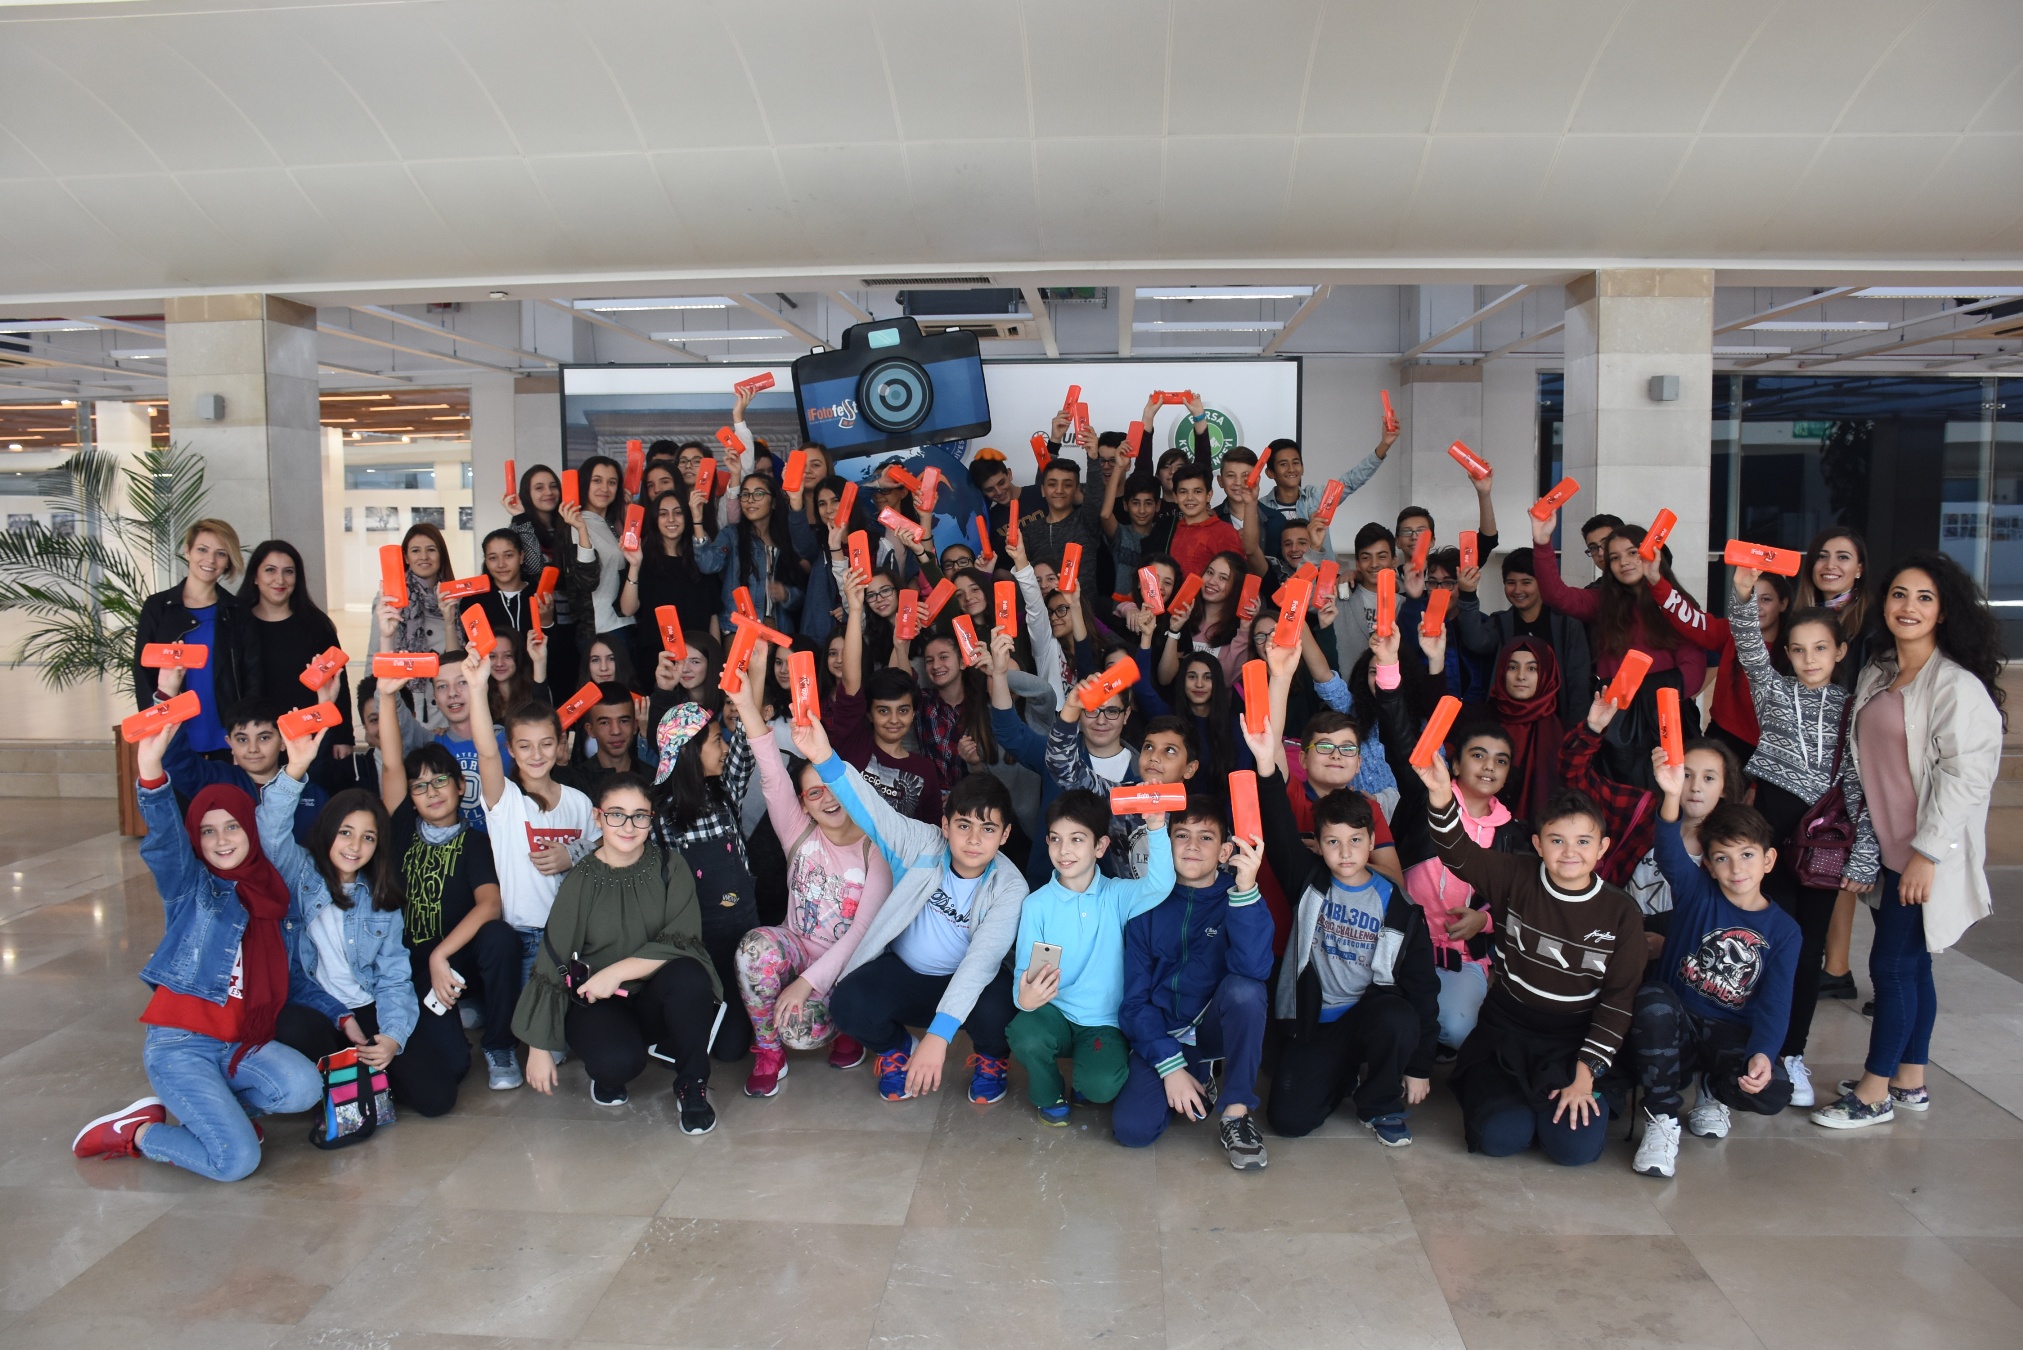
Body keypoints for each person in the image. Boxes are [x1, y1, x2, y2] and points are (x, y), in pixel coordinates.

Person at [70, 722, 322, 1180]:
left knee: (304, 1088)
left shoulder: (272, 893)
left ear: (249, 829)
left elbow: (292, 976)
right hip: (183, 1044)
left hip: (241, 1042)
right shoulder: (191, 888)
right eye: (207, 831)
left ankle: (221, 1115)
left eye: (232, 827)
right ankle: (136, 1133)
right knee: (235, 1162)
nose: (221, 840)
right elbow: (166, 843)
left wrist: (341, 1016)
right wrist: (151, 769)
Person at [1814, 553, 2004, 1129]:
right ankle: (1910, 1080)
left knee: (1892, 968)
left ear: (1943, 611)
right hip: (1888, 848)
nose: (1909, 607)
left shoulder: (1957, 687)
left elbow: (1966, 779)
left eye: (1924, 597)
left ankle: (1873, 1093)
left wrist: (1926, 855)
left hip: (1923, 855)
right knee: (1913, 969)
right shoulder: (1880, 672)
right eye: (1899, 594)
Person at [1241, 641, 1438, 1144]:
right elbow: (1269, 768)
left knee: (1394, 1017)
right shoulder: (1290, 800)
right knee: (1287, 1108)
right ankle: (1336, 1073)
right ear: (1303, 756)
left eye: (1348, 748)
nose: (1336, 755)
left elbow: (1393, 887)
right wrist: (1281, 676)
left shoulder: (1367, 811)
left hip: (1358, 987)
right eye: (1324, 747)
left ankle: (1377, 1098)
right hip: (1285, 960)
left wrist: (1333, 853)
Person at [1419, 754, 1647, 1165]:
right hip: (1508, 1031)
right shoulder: (1516, 875)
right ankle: (1513, 1106)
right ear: (1539, 845)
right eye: (1557, 840)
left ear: (1602, 848)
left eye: (1583, 842)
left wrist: (1584, 1077)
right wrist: (1439, 794)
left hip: (1574, 1041)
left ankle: (1556, 1107)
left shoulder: (1621, 913)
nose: (1570, 852)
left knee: (1573, 1150)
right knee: (1501, 1137)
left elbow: (1617, 1002)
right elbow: (1459, 854)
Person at [792, 714, 1029, 1107]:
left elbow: (981, 962)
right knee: (848, 1003)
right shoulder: (922, 843)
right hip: (905, 974)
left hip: (966, 981)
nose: (974, 840)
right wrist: (824, 758)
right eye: (964, 825)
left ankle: (992, 1060)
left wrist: (939, 1037)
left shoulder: (1010, 886)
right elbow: (873, 812)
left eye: (988, 829)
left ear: (1004, 835)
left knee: (1002, 1006)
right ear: (945, 825)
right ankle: (897, 1048)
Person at [1728, 571, 1880, 1108]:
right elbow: (1748, 644)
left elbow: (1858, 783)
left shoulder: (1854, 709)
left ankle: (1792, 1051)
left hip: (1825, 846)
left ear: (1840, 651)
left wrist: (1864, 853)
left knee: (1808, 949)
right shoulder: (1772, 691)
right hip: (1771, 837)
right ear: (1786, 654)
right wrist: (1742, 594)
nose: (1809, 658)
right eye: (1797, 649)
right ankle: (1751, 1045)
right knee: (1761, 941)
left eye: (1820, 648)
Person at [723, 642, 893, 1097]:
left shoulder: (875, 850)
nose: (827, 799)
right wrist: (746, 705)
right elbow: (770, 771)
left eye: (832, 787)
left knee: (800, 1029)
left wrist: (805, 985)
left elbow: (860, 936)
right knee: (755, 949)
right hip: (798, 948)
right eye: (813, 793)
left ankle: (848, 1026)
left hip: (850, 968)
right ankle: (767, 1052)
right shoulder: (798, 832)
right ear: (803, 804)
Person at [511, 773, 725, 1134]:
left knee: (690, 975)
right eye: (616, 815)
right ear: (598, 817)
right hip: (599, 1002)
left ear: (651, 819)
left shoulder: (670, 866)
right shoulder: (582, 879)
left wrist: (617, 972)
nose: (628, 826)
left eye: (639, 816)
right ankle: (609, 1068)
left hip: (655, 997)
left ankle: (692, 1084)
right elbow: (553, 955)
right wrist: (538, 1046)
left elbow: (683, 940)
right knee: (617, 1063)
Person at [260, 727, 443, 1115]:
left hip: (367, 1003)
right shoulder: (298, 871)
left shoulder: (380, 896)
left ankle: (360, 1079)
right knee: (292, 1026)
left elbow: (394, 976)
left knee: (436, 1098)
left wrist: (392, 1037)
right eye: (346, 832)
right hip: (316, 1008)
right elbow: (271, 830)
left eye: (368, 838)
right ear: (329, 829)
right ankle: (349, 1082)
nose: (355, 847)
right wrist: (295, 769)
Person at [1367, 625, 1531, 1054]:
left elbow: (1523, 901)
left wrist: (1485, 922)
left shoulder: (1513, 833)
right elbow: (1399, 736)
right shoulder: (1426, 796)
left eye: (1501, 761)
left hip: (1463, 958)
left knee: (1457, 1032)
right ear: (1454, 764)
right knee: (1389, 1023)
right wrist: (1388, 665)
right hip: (1401, 944)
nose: (1489, 766)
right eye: (1478, 755)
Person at [1630, 780, 1799, 1180]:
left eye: (1747, 855)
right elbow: (1668, 847)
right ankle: (1662, 1118)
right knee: (1652, 999)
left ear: (1769, 860)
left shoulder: (1785, 931)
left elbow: (1776, 1004)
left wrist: (1762, 1054)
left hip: (1730, 1035)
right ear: (1707, 864)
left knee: (1774, 1090)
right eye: (1722, 858)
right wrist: (1672, 796)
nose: (1736, 869)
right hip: (1679, 1027)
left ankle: (1715, 1089)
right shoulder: (1696, 893)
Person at [373, 680, 523, 1094]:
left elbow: (490, 905)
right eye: (420, 786)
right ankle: (458, 1015)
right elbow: (391, 763)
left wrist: (442, 954)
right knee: (453, 1066)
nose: (431, 792)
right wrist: (386, 696)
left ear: (460, 786)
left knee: (500, 937)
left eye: (440, 781)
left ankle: (499, 1045)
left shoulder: (475, 842)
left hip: (456, 961)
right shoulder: (402, 828)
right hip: (411, 970)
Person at [1112, 793, 1274, 1168]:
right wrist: (1170, 1067)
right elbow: (1134, 1003)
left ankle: (1236, 1113)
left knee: (1246, 992)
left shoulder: (1239, 897)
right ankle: (1195, 1071)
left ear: (1224, 852)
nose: (1192, 846)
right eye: (1182, 835)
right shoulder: (1145, 905)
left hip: (1214, 1028)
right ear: (1166, 846)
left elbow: (1254, 971)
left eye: (1206, 837)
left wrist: (1246, 889)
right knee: (1133, 1130)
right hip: (1164, 1033)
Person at [1007, 789, 1174, 1125]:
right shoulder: (1036, 905)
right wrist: (1024, 999)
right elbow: (1023, 975)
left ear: (1100, 846)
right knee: (1023, 1032)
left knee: (1101, 1086)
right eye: (1055, 839)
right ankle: (1049, 1093)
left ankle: (1086, 1079)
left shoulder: (1116, 895)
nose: (1063, 850)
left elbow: (1159, 884)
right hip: (1054, 1013)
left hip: (1103, 1021)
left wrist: (1156, 828)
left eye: (1077, 839)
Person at [1532, 510, 1706, 785]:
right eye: (1614, 558)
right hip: (1617, 721)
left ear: (1650, 553)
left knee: (1670, 793)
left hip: (1667, 717)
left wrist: (1644, 693)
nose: (1623, 562)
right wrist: (1543, 542)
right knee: (1620, 797)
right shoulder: (1602, 601)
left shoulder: (1676, 603)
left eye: (1632, 553)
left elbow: (1693, 673)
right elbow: (1556, 595)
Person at [466, 649, 599, 984]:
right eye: (524, 746)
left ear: (560, 744)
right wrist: (477, 688)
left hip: (578, 938)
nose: (536, 755)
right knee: (534, 1019)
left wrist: (572, 853)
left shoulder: (579, 802)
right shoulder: (506, 799)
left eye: (546, 744)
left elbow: (603, 848)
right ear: (510, 749)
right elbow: (486, 751)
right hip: (527, 937)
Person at [648, 694, 759, 1063]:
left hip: (745, 936)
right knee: (726, 1048)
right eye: (715, 741)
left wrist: (751, 681)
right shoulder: (659, 819)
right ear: (689, 753)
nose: (725, 748)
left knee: (735, 1046)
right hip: (699, 946)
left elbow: (745, 744)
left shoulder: (725, 793)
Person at [154, 670, 327, 845]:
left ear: (283, 742)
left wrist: (326, 705)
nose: (253, 748)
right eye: (242, 739)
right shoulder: (216, 780)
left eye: (264, 738)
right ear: (229, 743)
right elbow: (176, 761)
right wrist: (166, 694)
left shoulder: (310, 791)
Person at [134, 518, 257, 757]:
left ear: (228, 561)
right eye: (202, 549)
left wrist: (247, 734)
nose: (210, 560)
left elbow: (252, 675)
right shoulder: (158, 607)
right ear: (187, 551)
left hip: (227, 735)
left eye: (221, 553)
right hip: (173, 732)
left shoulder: (237, 611)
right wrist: (154, 727)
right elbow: (143, 672)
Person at [1649, 558, 1791, 761]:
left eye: (1766, 599)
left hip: (1769, 749)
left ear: (1783, 603)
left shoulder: (1794, 649)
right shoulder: (1730, 632)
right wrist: (1656, 580)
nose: (1756, 606)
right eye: (1751, 597)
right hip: (1721, 737)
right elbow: (1689, 619)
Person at [830, 570, 944, 823]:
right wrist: (855, 609)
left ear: (913, 713)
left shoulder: (924, 770)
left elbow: (933, 831)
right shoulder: (855, 744)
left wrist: (902, 643)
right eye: (883, 711)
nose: (893, 719)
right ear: (869, 713)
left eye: (903, 711)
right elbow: (852, 681)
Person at [238, 539, 354, 780]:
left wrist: (343, 735)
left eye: (288, 572)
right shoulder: (237, 625)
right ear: (255, 577)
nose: (280, 580)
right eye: (270, 570)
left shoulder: (316, 625)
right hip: (256, 741)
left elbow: (337, 683)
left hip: (310, 736)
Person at [1453, 546, 1593, 728]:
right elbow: (1476, 642)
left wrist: (1575, 732)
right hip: (1509, 725)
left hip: (1555, 725)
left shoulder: (1567, 624)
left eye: (1526, 582)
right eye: (1511, 582)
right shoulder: (1501, 622)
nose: (1517, 590)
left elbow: (1578, 682)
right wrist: (1468, 595)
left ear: (1542, 583)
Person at [1254, 425, 1395, 561]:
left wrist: (1384, 445)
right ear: (1270, 472)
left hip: (1321, 575)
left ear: (1302, 468)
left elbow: (1352, 480)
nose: (1291, 469)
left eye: (1296, 462)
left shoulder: (1317, 498)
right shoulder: (1260, 508)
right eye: (1283, 464)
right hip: (1279, 576)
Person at [1487, 637, 1566, 823]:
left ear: (1546, 674)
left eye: (1532, 669)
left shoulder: (1563, 732)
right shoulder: (1481, 720)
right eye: (1512, 667)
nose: (1521, 676)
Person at [573, 453, 637, 651]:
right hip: (600, 630)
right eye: (597, 480)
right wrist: (580, 529)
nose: (605, 488)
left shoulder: (607, 524)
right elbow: (586, 582)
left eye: (612, 482)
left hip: (621, 623)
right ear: (584, 483)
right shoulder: (576, 524)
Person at [557, 682, 653, 799]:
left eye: (624, 721)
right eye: (605, 723)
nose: (616, 731)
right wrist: (561, 766)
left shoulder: (652, 779)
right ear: (590, 730)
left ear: (635, 726)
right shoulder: (576, 782)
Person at [1166, 465, 1252, 579]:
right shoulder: (1169, 529)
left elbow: (1236, 579)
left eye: (1197, 491)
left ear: (1209, 495)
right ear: (1175, 497)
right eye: (1183, 492)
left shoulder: (1225, 533)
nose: (1190, 498)